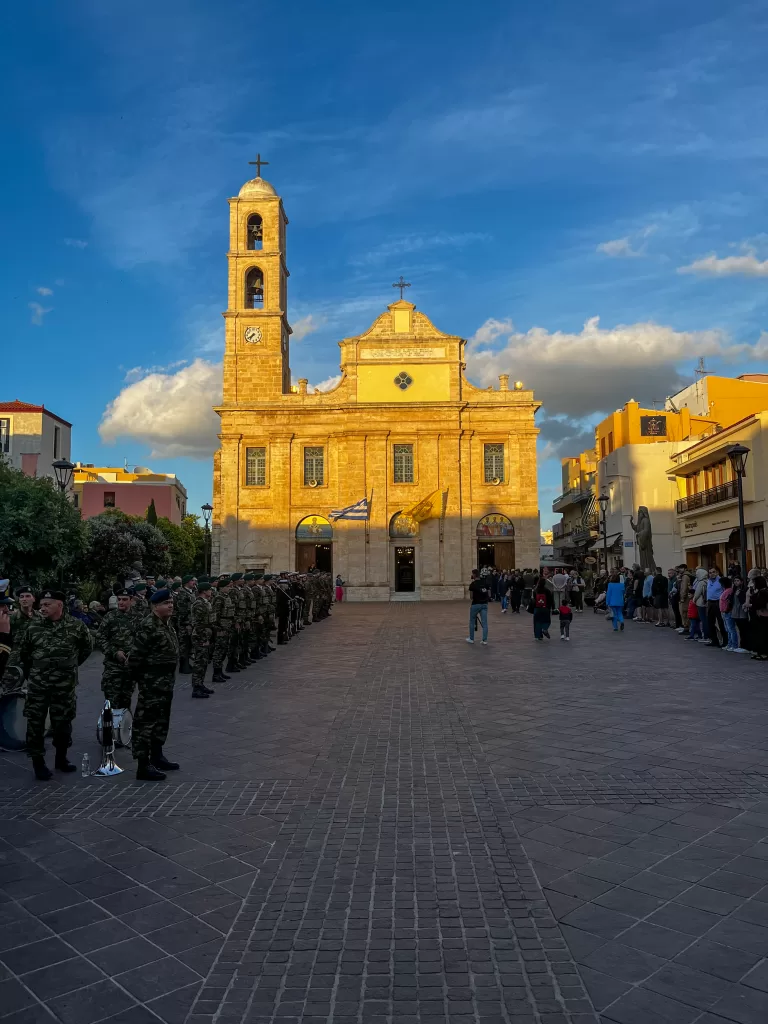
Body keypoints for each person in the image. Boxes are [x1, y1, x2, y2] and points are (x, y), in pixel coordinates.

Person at [19, 589, 93, 780]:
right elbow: (24, 653)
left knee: (63, 723)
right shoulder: (33, 627)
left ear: (59, 605)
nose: (42, 608)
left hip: (64, 685)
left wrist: (70, 666)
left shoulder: (76, 626)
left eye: (47, 604)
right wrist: (33, 673)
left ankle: (62, 758)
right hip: (38, 685)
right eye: (41, 604)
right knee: (35, 723)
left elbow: (86, 648)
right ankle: (38, 762)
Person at [129, 589, 180, 781]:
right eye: (166, 603)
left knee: (161, 721)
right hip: (151, 683)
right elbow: (135, 657)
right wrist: (140, 680)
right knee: (145, 723)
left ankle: (157, 756)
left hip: (165, 683)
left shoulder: (167, 624)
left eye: (171, 602)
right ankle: (143, 765)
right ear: (155, 606)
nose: (170, 605)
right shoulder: (148, 626)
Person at [95, 588, 135, 710]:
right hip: (113, 668)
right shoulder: (110, 617)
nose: (121, 602)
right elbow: (100, 638)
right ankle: (111, 727)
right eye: (119, 599)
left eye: (124, 599)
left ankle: (123, 727)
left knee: (126, 701)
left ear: (131, 601)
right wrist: (114, 652)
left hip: (130, 667)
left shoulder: (138, 617)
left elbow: (144, 640)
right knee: (112, 702)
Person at [190, 581, 215, 698]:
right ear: (204, 591)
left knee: (203, 662)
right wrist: (203, 638)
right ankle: (196, 687)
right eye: (209, 589)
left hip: (205, 635)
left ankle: (200, 684)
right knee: (199, 663)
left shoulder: (205, 602)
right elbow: (199, 624)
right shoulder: (199, 604)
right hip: (201, 636)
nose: (211, 591)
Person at [704, 566, 726, 648]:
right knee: (710, 622)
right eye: (710, 572)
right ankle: (714, 640)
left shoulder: (721, 580)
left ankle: (725, 641)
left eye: (713, 572)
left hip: (718, 602)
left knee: (721, 622)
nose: (712, 574)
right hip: (710, 602)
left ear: (717, 572)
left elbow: (724, 591)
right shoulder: (708, 581)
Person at [466, 570, 489, 644]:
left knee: (472, 621)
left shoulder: (473, 584)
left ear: (474, 575)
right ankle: (484, 640)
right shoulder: (484, 583)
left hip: (476, 604)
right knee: (484, 623)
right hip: (484, 604)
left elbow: (471, 597)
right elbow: (488, 593)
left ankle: (471, 638)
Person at [531, 576, 554, 641]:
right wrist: (552, 607)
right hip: (545, 608)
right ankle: (544, 628)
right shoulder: (547, 590)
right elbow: (551, 600)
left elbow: (533, 600)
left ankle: (538, 636)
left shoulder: (535, 590)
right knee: (547, 621)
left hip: (537, 608)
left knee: (537, 622)